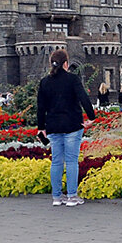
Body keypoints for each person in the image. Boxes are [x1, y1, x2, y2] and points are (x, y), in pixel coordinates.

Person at [37, 49, 96, 207]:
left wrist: (41, 127)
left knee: (56, 161)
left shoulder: (44, 82)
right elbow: (84, 98)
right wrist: (91, 117)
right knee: (71, 161)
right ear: (66, 63)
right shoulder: (72, 79)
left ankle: (56, 197)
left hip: (53, 126)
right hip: (72, 125)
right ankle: (72, 196)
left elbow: (40, 107)